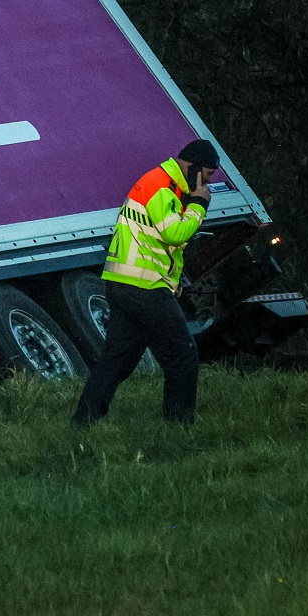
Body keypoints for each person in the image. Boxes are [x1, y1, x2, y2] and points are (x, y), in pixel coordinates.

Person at [72, 139, 219, 426]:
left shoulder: (164, 184)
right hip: (146, 287)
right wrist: (199, 206)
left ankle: (82, 424)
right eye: (208, 176)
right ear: (192, 167)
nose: (208, 184)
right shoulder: (161, 186)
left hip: (122, 282)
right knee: (183, 356)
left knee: (116, 362)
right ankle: (178, 427)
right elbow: (174, 233)